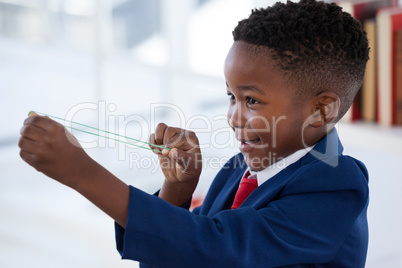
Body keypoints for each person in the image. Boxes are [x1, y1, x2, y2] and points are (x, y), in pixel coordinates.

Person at [18, 0, 370, 267]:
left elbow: (216, 247)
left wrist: (83, 173)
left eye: (252, 100)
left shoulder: (337, 186)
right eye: (231, 96)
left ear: (321, 110)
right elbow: (180, 254)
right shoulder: (240, 169)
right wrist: (177, 190)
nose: (233, 117)